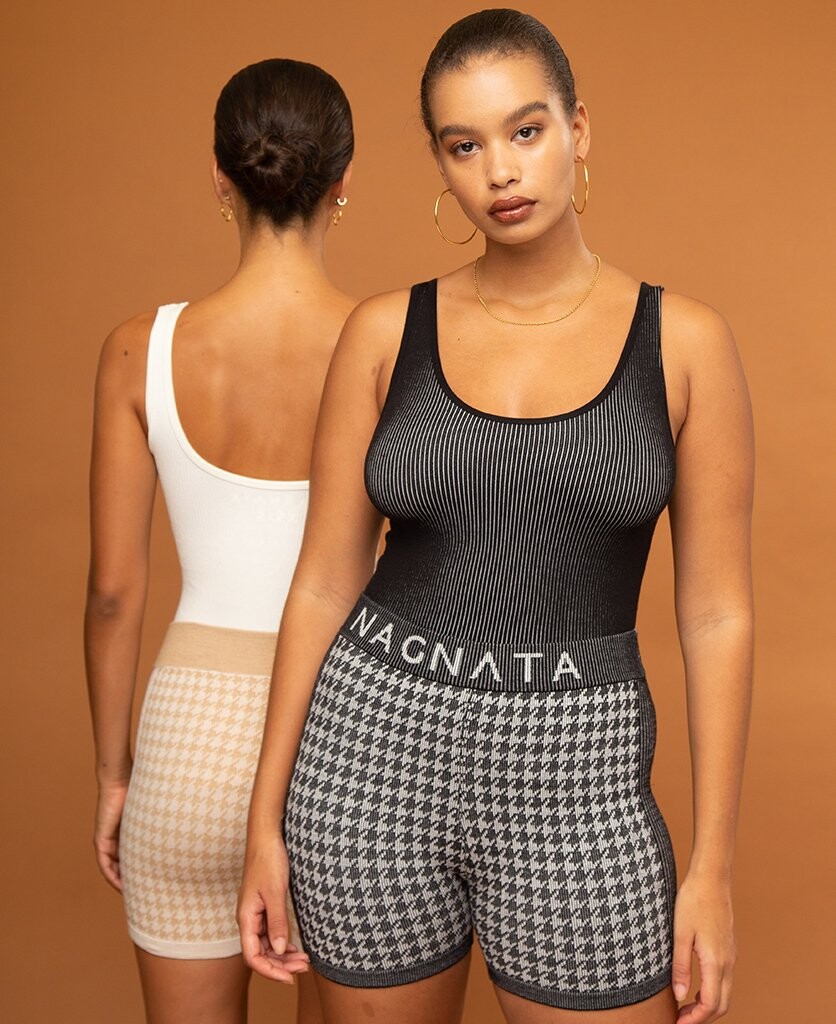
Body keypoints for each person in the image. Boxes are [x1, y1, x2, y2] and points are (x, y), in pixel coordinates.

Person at [238, 10, 754, 1024]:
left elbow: (717, 614)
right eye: (463, 145)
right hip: (370, 754)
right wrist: (264, 822)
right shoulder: (383, 333)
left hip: (579, 768)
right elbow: (323, 582)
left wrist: (712, 866)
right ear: (439, 163)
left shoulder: (685, 344)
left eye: (525, 130)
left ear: (577, 129)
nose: (501, 172)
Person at [85, 58, 354, 1024]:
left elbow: (114, 593)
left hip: (186, 746)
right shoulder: (390, 347)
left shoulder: (139, 349)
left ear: (219, 175)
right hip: (340, 742)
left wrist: (115, 774)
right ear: (342, 183)